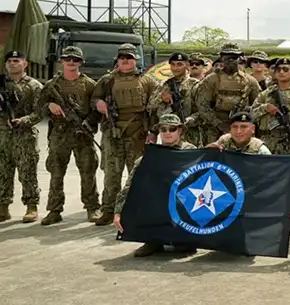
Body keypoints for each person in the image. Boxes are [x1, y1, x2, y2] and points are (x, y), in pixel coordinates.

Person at [92, 43, 159, 226]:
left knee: (137, 174)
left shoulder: (147, 81)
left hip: (138, 134)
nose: (125, 60)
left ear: (136, 60)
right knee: (111, 174)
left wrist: (153, 132)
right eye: (122, 57)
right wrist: (98, 103)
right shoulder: (107, 80)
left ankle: (137, 210)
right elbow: (94, 98)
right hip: (113, 133)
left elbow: (155, 109)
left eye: (129, 57)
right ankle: (108, 210)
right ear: (117, 60)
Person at [112, 114, 197, 257]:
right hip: (158, 202)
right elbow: (129, 186)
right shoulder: (150, 156)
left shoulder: (192, 152)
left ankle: (185, 238)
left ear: (180, 131)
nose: (168, 133)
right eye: (163, 129)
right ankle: (153, 240)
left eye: (172, 129)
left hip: (184, 202)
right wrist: (118, 212)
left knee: (184, 247)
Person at [36, 46, 101, 225]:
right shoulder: (51, 85)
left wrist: (88, 123)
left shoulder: (90, 84)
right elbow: (38, 108)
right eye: (68, 59)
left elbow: (97, 109)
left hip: (83, 135)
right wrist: (49, 106)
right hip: (60, 134)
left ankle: (92, 207)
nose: (71, 62)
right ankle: (54, 210)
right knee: (56, 173)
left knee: (88, 171)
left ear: (81, 62)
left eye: (76, 59)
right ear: (61, 61)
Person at [0, 50, 43, 222]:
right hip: (3, 134)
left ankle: (31, 206)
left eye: (16, 60)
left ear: (25, 64)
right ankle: (3, 206)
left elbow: (40, 112)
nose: (12, 63)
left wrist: (23, 120)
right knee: (3, 171)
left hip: (25, 135)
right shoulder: (1, 83)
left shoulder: (34, 86)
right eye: (9, 61)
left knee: (28, 172)